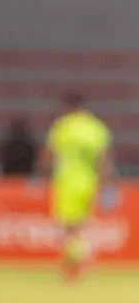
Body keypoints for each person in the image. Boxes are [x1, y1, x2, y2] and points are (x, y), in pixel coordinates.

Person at [40, 92, 115, 281]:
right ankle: (78, 260)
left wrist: (41, 176)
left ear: (68, 107)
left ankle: (79, 259)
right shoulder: (96, 127)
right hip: (89, 181)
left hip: (66, 181)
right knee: (81, 224)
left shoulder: (62, 126)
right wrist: (107, 184)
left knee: (67, 226)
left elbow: (48, 155)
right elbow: (104, 159)